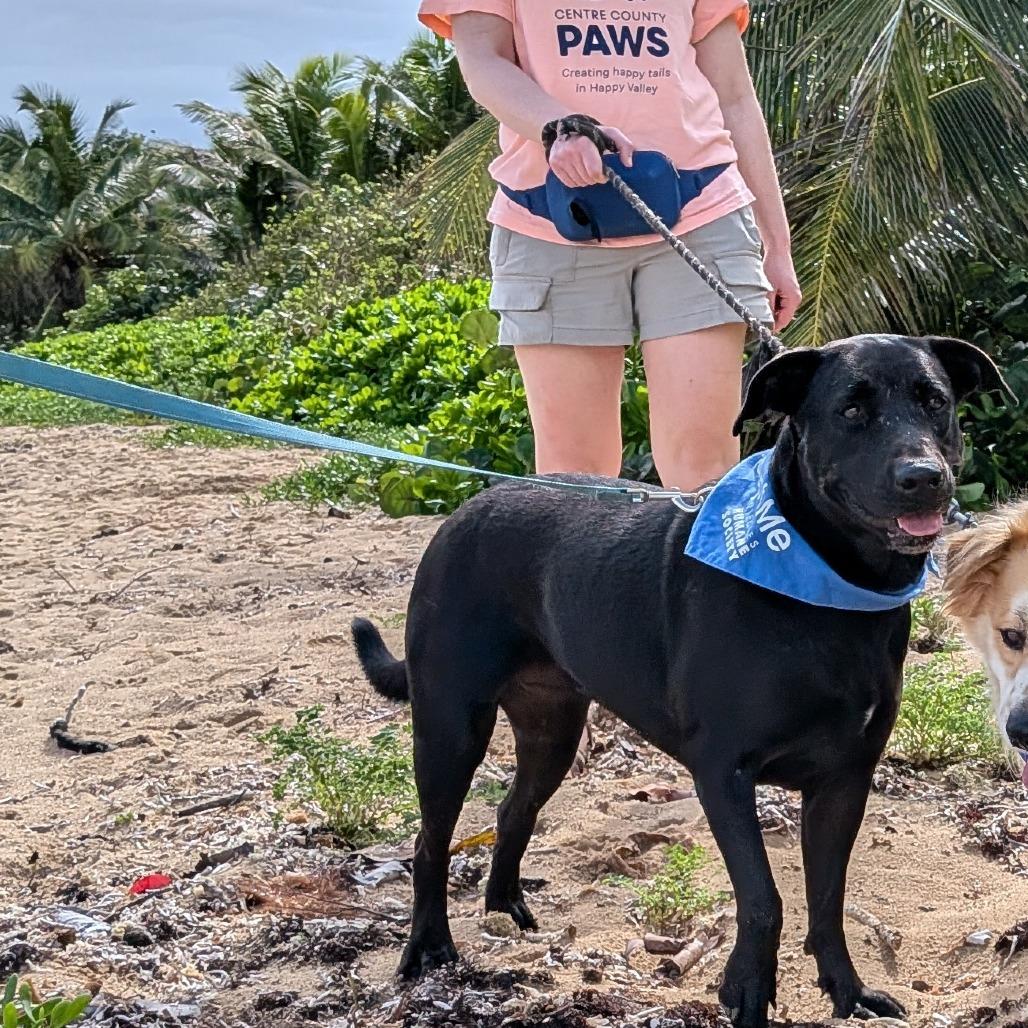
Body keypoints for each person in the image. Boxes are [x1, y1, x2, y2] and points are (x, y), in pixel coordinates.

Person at [417, 0, 801, 490]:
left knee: (703, 472)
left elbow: (734, 97)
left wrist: (777, 245)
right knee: (575, 475)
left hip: (701, 213)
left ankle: (696, 570)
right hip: (549, 222)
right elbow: (483, 61)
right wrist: (561, 127)